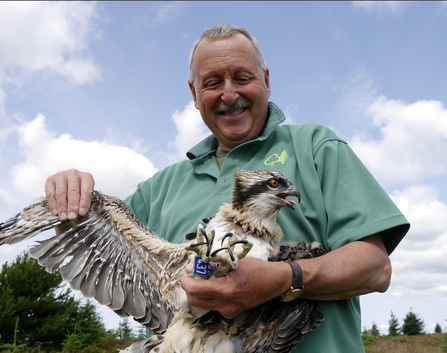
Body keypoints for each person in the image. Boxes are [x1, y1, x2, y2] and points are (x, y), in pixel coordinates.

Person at [45, 24, 410, 352]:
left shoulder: (315, 148)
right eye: (213, 82)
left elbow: (376, 269)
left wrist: (284, 278)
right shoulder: (162, 186)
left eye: (242, 77)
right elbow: (85, 242)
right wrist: (71, 198)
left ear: (266, 80)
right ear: (194, 92)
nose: (229, 93)